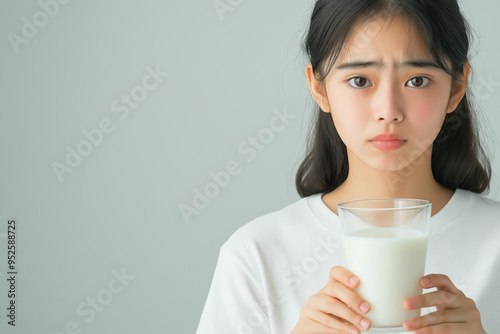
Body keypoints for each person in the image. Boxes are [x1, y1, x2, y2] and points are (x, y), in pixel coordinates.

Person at [197, 0, 500, 333]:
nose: (388, 111)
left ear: (457, 88)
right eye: (359, 80)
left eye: (417, 81)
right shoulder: (256, 255)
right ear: (319, 87)